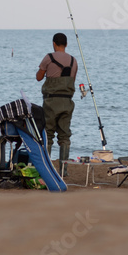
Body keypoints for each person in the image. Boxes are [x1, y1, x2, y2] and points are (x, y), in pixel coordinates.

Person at [36, 33, 78, 174]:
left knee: (47, 134)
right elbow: (73, 80)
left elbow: (38, 77)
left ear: (54, 43)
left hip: (51, 102)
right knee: (64, 136)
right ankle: (63, 170)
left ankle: (47, 169)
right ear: (66, 44)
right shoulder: (74, 61)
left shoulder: (49, 57)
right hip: (67, 102)